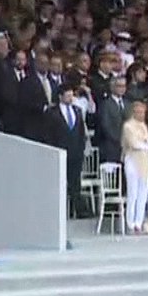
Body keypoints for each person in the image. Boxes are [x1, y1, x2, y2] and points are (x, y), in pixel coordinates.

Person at [45, 84, 88, 218]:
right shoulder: (52, 112)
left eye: (72, 95)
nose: (70, 98)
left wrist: (81, 148)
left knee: (75, 182)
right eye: (68, 96)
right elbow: (48, 134)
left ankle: (80, 210)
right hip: (60, 152)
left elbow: (81, 132)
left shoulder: (77, 110)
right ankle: (60, 211)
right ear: (60, 97)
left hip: (76, 153)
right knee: (60, 183)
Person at [121, 101, 148, 235]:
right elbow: (134, 143)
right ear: (133, 112)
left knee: (143, 192)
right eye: (139, 112)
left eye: (143, 112)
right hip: (132, 160)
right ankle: (130, 222)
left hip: (145, 160)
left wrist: (146, 142)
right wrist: (145, 142)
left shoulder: (143, 125)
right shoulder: (128, 126)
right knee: (133, 192)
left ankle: (139, 222)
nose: (141, 115)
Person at [95, 78, 129, 165]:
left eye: (124, 86)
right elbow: (106, 126)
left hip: (126, 147)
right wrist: (119, 140)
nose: (122, 89)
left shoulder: (128, 104)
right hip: (110, 147)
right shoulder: (105, 104)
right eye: (119, 86)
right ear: (112, 87)